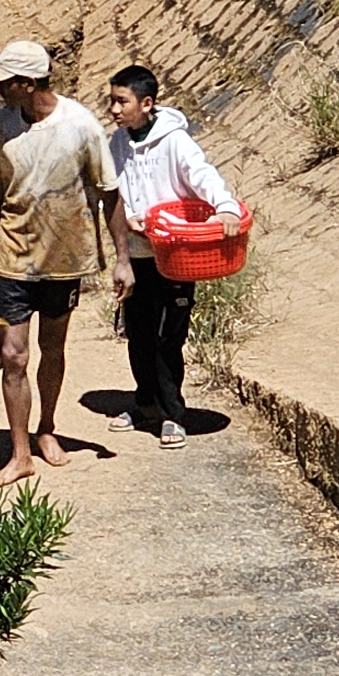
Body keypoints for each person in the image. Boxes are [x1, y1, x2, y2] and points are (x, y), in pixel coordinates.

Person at [0, 40, 116, 482]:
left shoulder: (80, 126)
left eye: (4, 82)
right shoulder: (0, 126)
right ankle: (20, 453)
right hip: (11, 257)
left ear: (28, 83)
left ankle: (47, 429)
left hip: (63, 256)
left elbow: (108, 192)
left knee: (52, 348)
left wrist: (121, 259)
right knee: (14, 356)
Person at [102, 64, 235, 446]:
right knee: (138, 332)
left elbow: (201, 174)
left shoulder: (175, 142)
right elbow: (112, 194)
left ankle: (173, 414)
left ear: (146, 103)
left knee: (168, 336)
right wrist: (127, 226)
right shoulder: (118, 143)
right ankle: (145, 404)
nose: (114, 109)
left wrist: (223, 206)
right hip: (139, 254)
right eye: (112, 100)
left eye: (121, 101)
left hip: (176, 256)